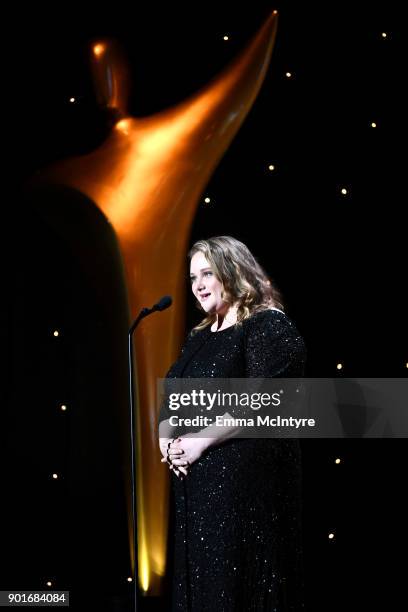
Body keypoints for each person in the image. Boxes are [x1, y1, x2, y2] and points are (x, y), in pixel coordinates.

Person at [158, 236, 306, 611]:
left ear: (233, 270)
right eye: (194, 278)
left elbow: (266, 398)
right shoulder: (198, 339)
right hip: (198, 495)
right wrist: (166, 437)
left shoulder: (267, 325)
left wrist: (201, 441)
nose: (199, 285)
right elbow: (174, 396)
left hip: (245, 493)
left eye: (208, 273)